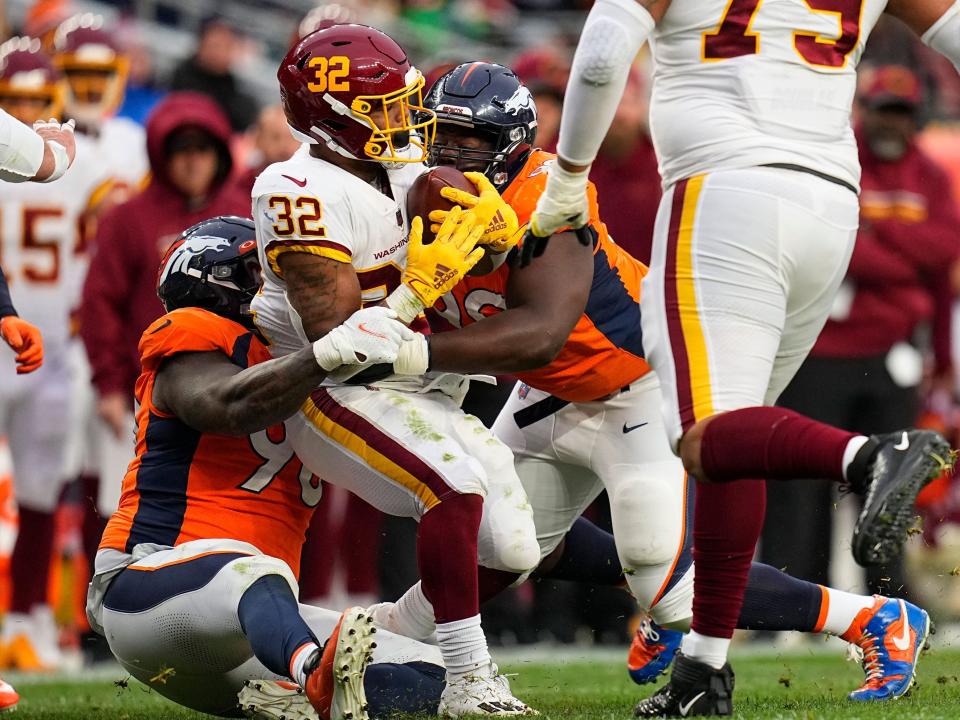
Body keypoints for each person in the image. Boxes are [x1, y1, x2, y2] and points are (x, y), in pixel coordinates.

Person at [403, 59, 932, 703]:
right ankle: (411, 653)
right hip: (548, 392)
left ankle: (873, 619)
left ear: (512, 142)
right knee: (503, 545)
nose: (452, 154)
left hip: (638, 388)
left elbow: (539, 328)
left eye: (473, 141)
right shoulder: (418, 186)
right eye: (442, 135)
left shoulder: (548, 191)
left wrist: (410, 351)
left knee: (676, 594)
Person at [523, 1, 959, 715]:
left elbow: (602, 54)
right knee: (732, 440)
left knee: (699, 431)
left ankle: (869, 457)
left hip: (724, 189)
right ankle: (703, 670)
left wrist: (569, 179)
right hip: (831, 206)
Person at [252, 24, 538, 716]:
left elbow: (479, 244)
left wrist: (493, 232)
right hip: (328, 388)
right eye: (382, 108)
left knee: (515, 545)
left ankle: (380, 637)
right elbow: (336, 339)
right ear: (330, 120)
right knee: (455, 484)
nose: (404, 121)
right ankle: (468, 680)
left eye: (402, 102)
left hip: (411, 379)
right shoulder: (295, 188)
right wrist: (419, 290)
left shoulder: (400, 167)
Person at [86, 215, 450, 720]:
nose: (285, 290)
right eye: (267, 276)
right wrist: (323, 355)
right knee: (251, 570)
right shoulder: (192, 335)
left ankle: (298, 699)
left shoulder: (304, 356)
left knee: (438, 677)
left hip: (256, 630)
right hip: (146, 590)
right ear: (216, 283)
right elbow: (227, 406)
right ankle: (314, 677)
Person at [762, 64, 960, 600]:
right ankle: (794, 598)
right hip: (819, 352)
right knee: (802, 482)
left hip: (892, 354)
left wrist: (880, 233)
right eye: (882, 112)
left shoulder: (932, 177)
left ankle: (889, 599)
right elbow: (838, 245)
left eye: (902, 114)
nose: (891, 125)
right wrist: (907, 267)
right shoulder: (839, 161)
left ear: (916, 118)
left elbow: (943, 254)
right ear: (863, 113)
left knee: (889, 484)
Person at [0, 36, 114, 672]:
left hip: (46, 338)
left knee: (44, 489)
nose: (18, 109)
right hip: (24, 330)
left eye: (30, 99)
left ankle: (31, 618)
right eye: (9, 99)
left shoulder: (92, 163)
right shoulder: (73, 156)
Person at [168, 15, 259, 134]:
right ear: (201, 45)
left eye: (226, 46)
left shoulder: (231, 85)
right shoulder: (183, 76)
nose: (220, 53)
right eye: (215, 45)